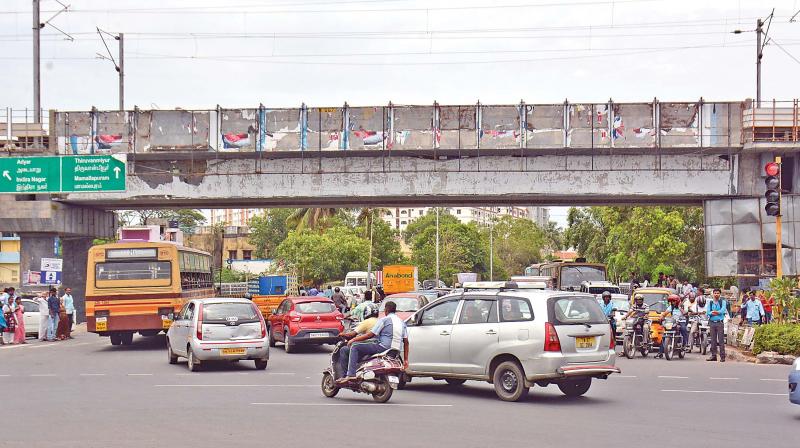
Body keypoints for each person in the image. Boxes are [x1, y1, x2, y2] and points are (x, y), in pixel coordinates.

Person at [338, 300, 409, 384]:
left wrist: (353, 340)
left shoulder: (384, 320)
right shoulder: (402, 323)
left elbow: (370, 335)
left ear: (386, 310)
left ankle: (351, 374)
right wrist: (406, 360)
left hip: (383, 348)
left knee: (354, 346)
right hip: (395, 351)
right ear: (395, 310)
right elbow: (406, 342)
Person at [335, 302, 379, 379]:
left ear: (367, 313)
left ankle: (346, 375)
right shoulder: (380, 321)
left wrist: (342, 334)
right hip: (378, 345)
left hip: (369, 345)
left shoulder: (366, 322)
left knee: (344, 350)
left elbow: (352, 334)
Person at [656, 294, 688, 358]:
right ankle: (660, 352)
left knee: (683, 329)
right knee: (665, 334)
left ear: (677, 301)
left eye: (674, 301)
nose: (672, 302)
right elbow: (665, 313)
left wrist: (679, 308)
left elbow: (685, 313)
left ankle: (685, 345)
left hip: (681, 321)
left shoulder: (683, 306)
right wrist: (661, 317)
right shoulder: (671, 306)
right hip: (673, 321)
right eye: (671, 301)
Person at [706, 288, 728, 362]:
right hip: (712, 323)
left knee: (721, 340)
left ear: (720, 294)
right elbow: (708, 312)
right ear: (713, 294)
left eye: (718, 293)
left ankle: (722, 357)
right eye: (715, 293)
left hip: (720, 322)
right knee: (713, 340)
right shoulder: (710, 303)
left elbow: (723, 310)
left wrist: (714, 312)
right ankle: (713, 356)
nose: (716, 294)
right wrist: (716, 312)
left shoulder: (723, 302)